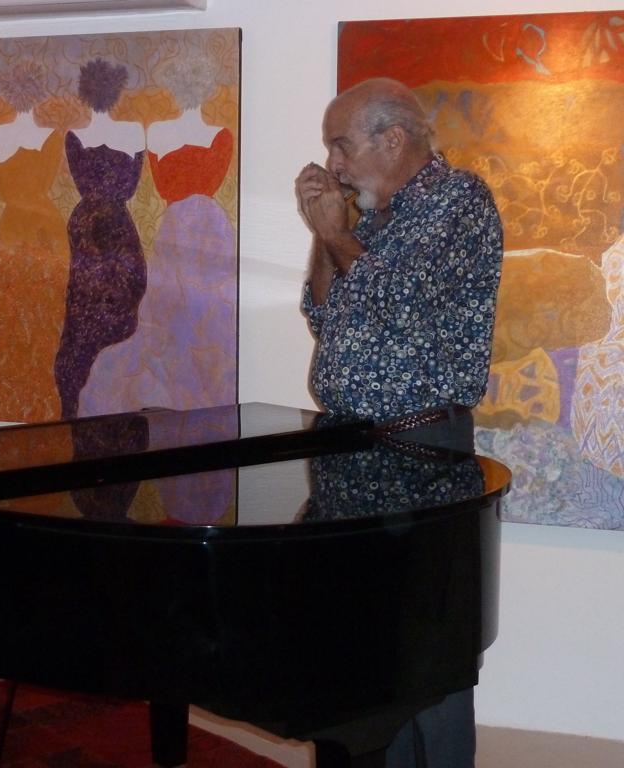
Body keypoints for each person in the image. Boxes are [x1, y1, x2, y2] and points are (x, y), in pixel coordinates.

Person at [295, 78, 503, 767]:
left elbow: (403, 301)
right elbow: (323, 310)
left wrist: (337, 233)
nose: (333, 164)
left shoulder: (459, 201)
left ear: (393, 138)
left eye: (342, 145)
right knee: (368, 644)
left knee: (430, 652)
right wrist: (327, 235)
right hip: (352, 447)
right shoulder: (372, 216)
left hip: (423, 448)